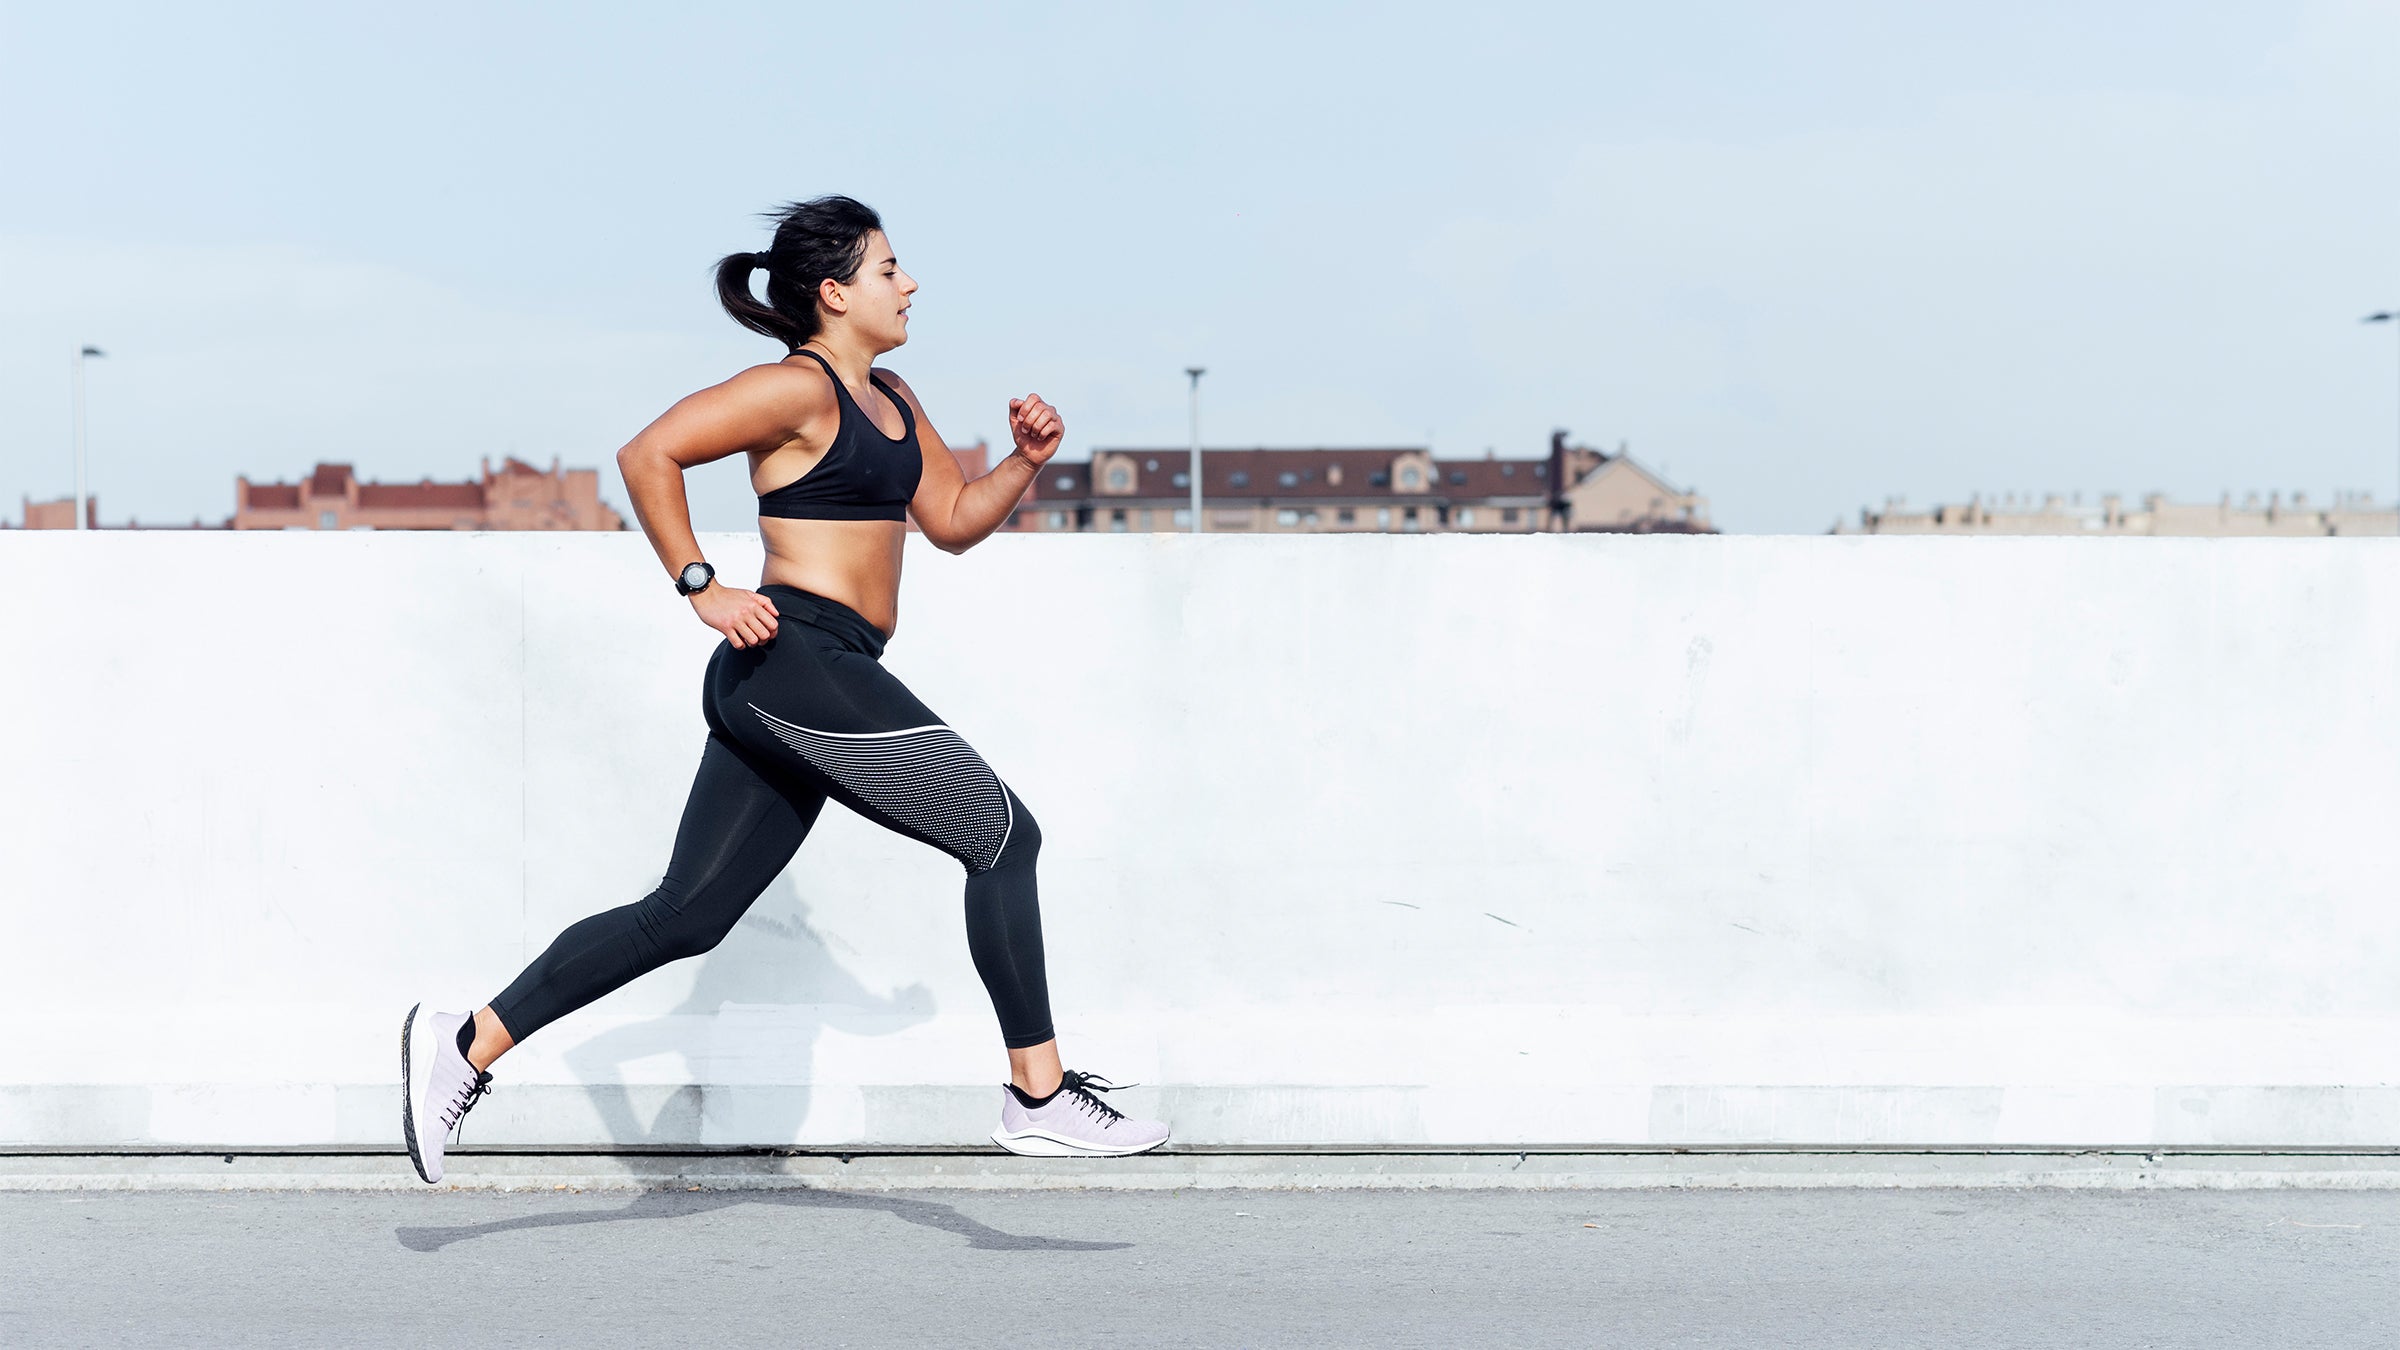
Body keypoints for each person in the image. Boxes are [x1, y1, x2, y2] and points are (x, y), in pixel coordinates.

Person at [401, 195, 1168, 1184]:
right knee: (1003, 836)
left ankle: (464, 1045)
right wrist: (701, 586)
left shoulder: (895, 399)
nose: (911, 284)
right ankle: (1038, 1094)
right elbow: (648, 454)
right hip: (793, 657)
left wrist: (1022, 462)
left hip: (817, 673)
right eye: (891, 269)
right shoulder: (797, 391)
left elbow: (952, 518)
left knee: (686, 916)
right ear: (837, 292)